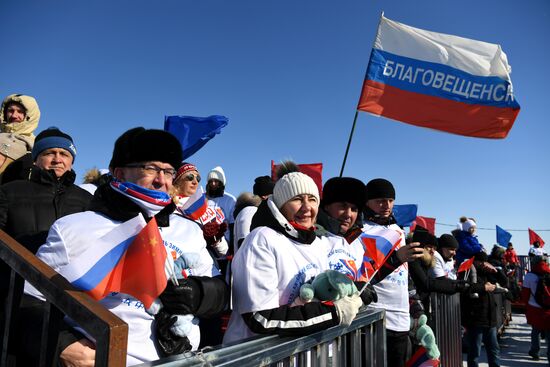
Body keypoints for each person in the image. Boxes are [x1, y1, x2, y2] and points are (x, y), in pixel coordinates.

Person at [24, 128, 229, 365]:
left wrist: (200, 293)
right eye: (150, 168)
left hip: (179, 359)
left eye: (168, 171)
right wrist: (62, 343)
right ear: (119, 172)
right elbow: (28, 300)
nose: (161, 180)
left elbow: (219, 292)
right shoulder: (74, 228)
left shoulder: (188, 230)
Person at [223, 172, 363, 344]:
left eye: (312, 199)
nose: (306, 207)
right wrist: (334, 313)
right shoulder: (262, 239)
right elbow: (260, 318)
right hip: (259, 356)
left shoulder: (316, 244)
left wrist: (352, 291)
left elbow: (318, 295)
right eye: (297, 199)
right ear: (281, 206)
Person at [0, 127, 92, 365]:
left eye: (64, 154)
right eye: (50, 152)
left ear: (72, 161)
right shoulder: (10, 192)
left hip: (73, 301)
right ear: (37, 157)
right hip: (17, 299)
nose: (57, 159)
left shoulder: (86, 200)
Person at [361, 178, 424, 367]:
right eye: (379, 200)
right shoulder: (362, 230)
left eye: (390, 200)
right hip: (375, 318)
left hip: (402, 319)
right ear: (367, 202)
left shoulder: (398, 230)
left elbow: (405, 275)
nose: (386, 205)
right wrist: (396, 257)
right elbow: (364, 276)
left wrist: (416, 306)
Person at [460, 251, 508, 367]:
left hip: (490, 319)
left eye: (484, 261)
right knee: (474, 352)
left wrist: (496, 271)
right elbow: (465, 288)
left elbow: (504, 282)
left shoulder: (488, 273)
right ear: (475, 261)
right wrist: (484, 287)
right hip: (475, 319)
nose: (482, 264)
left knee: (494, 350)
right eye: (480, 261)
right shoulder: (467, 270)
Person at [0, 94, 41, 183]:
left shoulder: (37, 144)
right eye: (10, 111)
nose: (14, 115)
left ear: (29, 115)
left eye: (20, 111)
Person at [521, 255, 550, 362]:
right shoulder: (549, 272)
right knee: (549, 333)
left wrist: (526, 306)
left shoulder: (529, 276)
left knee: (535, 330)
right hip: (548, 308)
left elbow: (525, 294)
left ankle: (535, 352)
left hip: (534, 307)